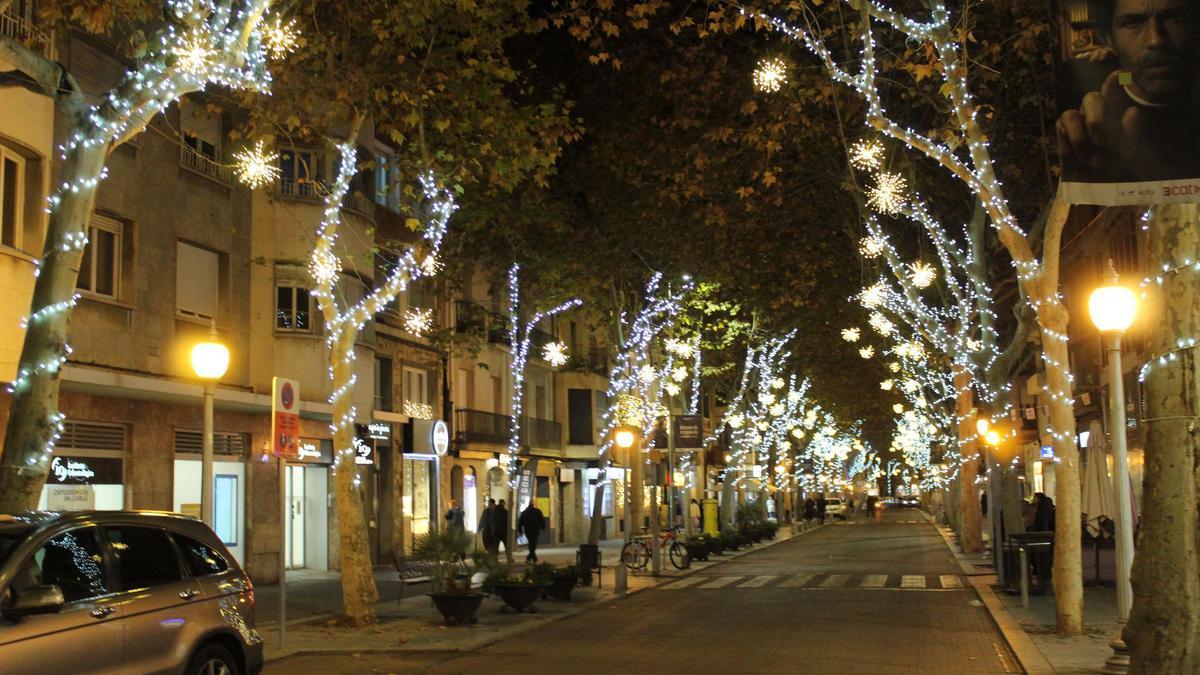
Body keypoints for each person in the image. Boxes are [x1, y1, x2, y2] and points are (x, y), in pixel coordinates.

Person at [1056, 0, 1200, 183]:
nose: (1156, 39)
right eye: (1132, 22)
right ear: (1108, 39)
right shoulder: (1080, 89)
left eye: (1175, 18)